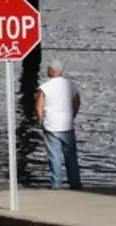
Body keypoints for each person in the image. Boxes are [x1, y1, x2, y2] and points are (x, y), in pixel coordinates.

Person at [35, 59, 82, 190]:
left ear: (52, 71)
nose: (47, 71)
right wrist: (72, 116)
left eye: (48, 69)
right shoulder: (71, 85)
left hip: (51, 125)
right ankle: (75, 182)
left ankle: (56, 184)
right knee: (71, 156)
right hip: (67, 125)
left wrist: (40, 121)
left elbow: (39, 107)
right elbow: (77, 103)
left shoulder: (45, 87)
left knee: (54, 155)